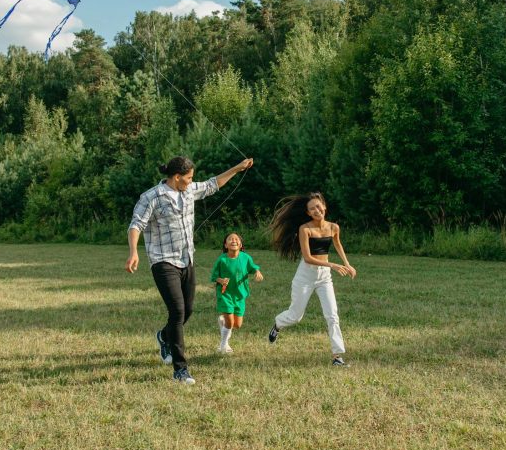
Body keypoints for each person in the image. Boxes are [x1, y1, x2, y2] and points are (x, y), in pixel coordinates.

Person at [126, 155, 254, 385]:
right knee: (177, 311)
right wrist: (134, 251)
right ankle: (180, 370)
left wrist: (237, 168)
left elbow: (214, 184)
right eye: (189, 177)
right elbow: (136, 224)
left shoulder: (189, 190)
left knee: (188, 310)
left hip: (187, 260)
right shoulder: (152, 197)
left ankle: (164, 336)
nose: (192, 181)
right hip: (163, 261)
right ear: (177, 177)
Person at [267, 192, 356, 366]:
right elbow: (307, 257)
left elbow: (337, 244)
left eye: (318, 206)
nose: (317, 210)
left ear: (324, 206)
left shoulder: (333, 227)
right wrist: (334, 265)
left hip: (324, 278)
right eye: (312, 208)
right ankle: (278, 324)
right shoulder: (305, 229)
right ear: (308, 213)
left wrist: (347, 264)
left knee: (332, 315)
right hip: (305, 276)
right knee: (295, 316)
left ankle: (337, 357)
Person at [211, 232, 263, 354]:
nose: (233, 240)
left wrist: (257, 272)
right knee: (230, 323)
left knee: (237, 325)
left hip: (240, 295)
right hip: (225, 294)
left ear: (240, 245)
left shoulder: (246, 257)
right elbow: (214, 276)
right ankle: (223, 346)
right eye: (230, 239)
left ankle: (223, 322)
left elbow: (253, 267)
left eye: (236, 239)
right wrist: (221, 280)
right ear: (225, 245)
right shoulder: (222, 259)